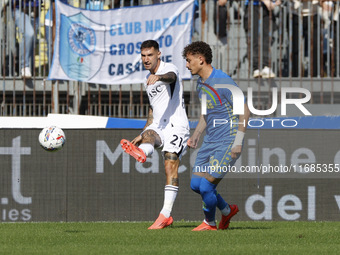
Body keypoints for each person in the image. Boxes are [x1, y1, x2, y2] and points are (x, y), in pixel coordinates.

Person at [120, 40, 190, 230]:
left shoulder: (169, 69)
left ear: (159, 54)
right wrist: (142, 133)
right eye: (143, 56)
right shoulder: (147, 80)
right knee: (149, 133)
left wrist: (158, 77)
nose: (146, 59)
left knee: (170, 163)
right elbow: (152, 111)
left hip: (177, 125)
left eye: (149, 55)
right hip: (159, 124)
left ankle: (165, 215)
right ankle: (142, 151)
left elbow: (170, 78)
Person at [182, 41, 250, 231]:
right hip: (210, 141)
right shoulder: (200, 83)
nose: (187, 65)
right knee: (196, 184)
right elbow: (206, 113)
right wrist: (196, 135)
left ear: (200, 59)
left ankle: (209, 223)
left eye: (189, 61)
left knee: (206, 187)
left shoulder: (223, 80)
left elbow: (245, 111)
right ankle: (227, 211)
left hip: (228, 141)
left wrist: (238, 142)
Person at [244, 0, 281, 78]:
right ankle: (256, 68)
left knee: (267, 38)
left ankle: (266, 66)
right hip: (253, 6)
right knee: (254, 38)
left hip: (268, 8)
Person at [13, 0, 41, 79]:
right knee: (29, 33)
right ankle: (24, 66)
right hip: (20, 9)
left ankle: (31, 70)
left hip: (35, 11)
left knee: (32, 41)